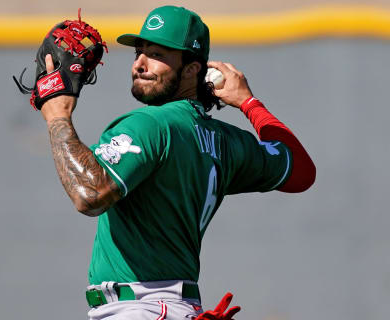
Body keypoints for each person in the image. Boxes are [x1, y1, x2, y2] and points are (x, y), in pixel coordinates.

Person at [38, 5, 316, 320]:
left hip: (137, 309)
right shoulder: (225, 141)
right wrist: (248, 103)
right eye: (138, 53)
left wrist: (57, 116)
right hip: (178, 308)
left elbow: (89, 194)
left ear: (192, 69)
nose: (140, 64)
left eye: (157, 54)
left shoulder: (150, 125)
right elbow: (302, 172)